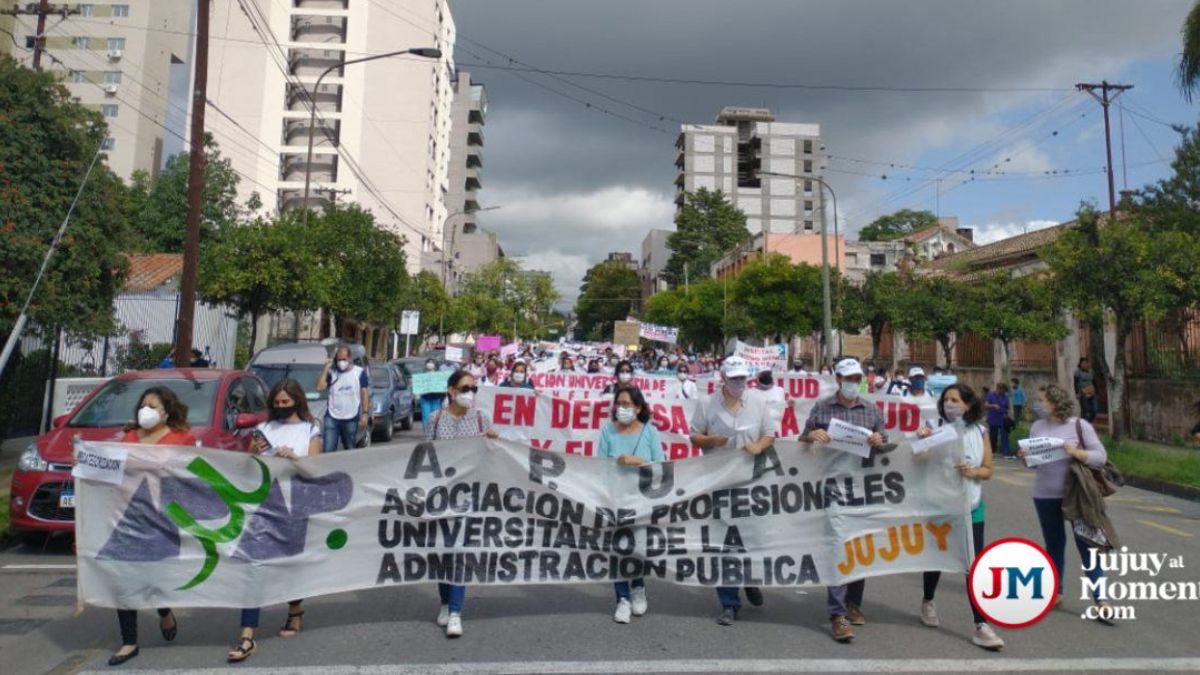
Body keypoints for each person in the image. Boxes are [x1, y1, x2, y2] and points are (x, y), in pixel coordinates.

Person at [229, 379, 322, 662]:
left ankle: (295, 611)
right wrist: (254, 454)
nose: (281, 407)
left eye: (286, 402)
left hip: (295, 503)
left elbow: (316, 466)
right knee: (254, 566)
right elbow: (249, 464)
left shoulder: (310, 428)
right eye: (277, 403)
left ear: (296, 401)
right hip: (264, 504)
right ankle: (247, 636)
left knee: (289, 562)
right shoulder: (263, 429)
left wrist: (294, 457)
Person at [801, 357, 888, 642]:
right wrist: (812, 434)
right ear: (838, 379)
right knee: (838, 547)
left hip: (863, 487)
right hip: (832, 486)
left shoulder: (871, 409)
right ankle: (837, 614)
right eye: (848, 378)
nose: (852, 383)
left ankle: (854, 604)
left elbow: (885, 443)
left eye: (856, 378)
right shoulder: (823, 407)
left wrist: (879, 441)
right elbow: (803, 438)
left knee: (858, 545)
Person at [108, 386, 196, 666]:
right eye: (142, 404)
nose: (145, 409)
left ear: (166, 412)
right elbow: (107, 468)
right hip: (128, 517)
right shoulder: (127, 438)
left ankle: (164, 611)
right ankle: (128, 641)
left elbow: (194, 472)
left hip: (162, 520)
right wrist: (82, 461)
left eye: (152, 406)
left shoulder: (182, 439)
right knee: (124, 581)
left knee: (155, 578)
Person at [914, 384, 1005, 650]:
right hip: (939, 504)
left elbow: (988, 470)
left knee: (973, 564)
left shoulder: (980, 431)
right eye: (946, 400)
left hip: (971, 507)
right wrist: (922, 441)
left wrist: (972, 472)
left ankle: (981, 624)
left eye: (955, 399)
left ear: (968, 404)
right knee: (937, 557)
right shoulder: (931, 425)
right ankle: (928, 600)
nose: (949, 404)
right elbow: (918, 458)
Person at [688, 355, 775, 626]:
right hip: (718, 480)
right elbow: (694, 435)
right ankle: (729, 602)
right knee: (723, 543)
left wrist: (759, 446)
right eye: (734, 378)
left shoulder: (759, 402)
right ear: (723, 378)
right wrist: (711, 440)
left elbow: (770, 433)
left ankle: (749, 579)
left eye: (742, 378)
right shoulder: (706, 403)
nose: (739, 383)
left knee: (751, 537)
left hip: (751, 480)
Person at [1019, 384, 1113, 619]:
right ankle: (1055, 592)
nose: (1037, 404)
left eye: (1042, 400)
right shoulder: (1037, 426)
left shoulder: (1080, 426)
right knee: (1054, 544)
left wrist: (1079, 453)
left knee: (1087, 545)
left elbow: (1100, 457)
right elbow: (1035, 463)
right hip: (1044, 494)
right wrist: (1025, 458)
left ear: (1055, 402)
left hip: (1076, 495)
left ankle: (1101, 599)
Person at [424, 370, 499, 638]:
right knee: (442, 552)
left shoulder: (482, 419)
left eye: (474, 389)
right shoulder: (435, 419)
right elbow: (425, 456)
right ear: (451, 391)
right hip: (440, 496)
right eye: (465, 388)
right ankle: (445, 603)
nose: (470, 393)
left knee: (458, 551)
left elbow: (491, 457)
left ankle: (456, 611)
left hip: (469, 497)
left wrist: (493, 441)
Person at [597, 386, 664, 623]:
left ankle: (638, 588)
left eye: (627, 404)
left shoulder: (650, 433)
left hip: (642, 499)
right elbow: (601, 465)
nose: (622, 408)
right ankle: (622, 598)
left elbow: (660, 465)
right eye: (619, 404)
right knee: (618, 549)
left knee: (636, 547)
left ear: (638, 408)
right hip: (616, 497)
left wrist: (636, 461)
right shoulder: (608, 432)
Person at [316, 345, 369, 453]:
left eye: (344, 359)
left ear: (350, 358)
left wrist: (365, 413)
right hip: (332, 417)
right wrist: (326, 368)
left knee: (350, 449)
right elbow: (319, 387)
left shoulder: (359, 373)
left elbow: (364, 393)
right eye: (339, 359)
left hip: (351, 417)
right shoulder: (332, 373)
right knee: (328, 450)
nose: (341, 362)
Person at [984, 382, 1012, 459]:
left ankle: (1006, 452)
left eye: (1005, 391)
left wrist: (1009, 415)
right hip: (993, 418)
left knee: (1005, 435)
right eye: (1002, 390)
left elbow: (1008, 407)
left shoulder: (1005, 397)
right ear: (998, 389)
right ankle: (992, 451)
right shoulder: (991, 395)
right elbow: (985, 405)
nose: (1003, 392)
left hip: (1003, 418)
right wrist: (993, 405)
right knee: (993, 436)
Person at [419, 359, 446, 432]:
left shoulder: (439, 375)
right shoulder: (422, 375)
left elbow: (443, 387)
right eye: (429, 363)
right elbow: (418, 386)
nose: (430, 364)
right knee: (426, 416)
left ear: (434, 365)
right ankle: (427, 432)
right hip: (425, 398)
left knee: (435, 416)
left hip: (436, 398)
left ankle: (435, 431)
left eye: (431, 363)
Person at [1074, 357, 1098, 423]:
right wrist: (1077, 393)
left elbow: (1094, 381)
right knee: (1086, 411)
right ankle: (1084, 424)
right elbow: (1075, 383)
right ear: (1080, 364)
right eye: (1083, 363)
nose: (1084, 365)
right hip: (1083, 394)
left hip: (1092, 393)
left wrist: (1097, 392)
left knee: (1095, 410)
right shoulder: (1077, 373)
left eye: (1085, 363)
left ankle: (1089, 422)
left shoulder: (1091, 371)